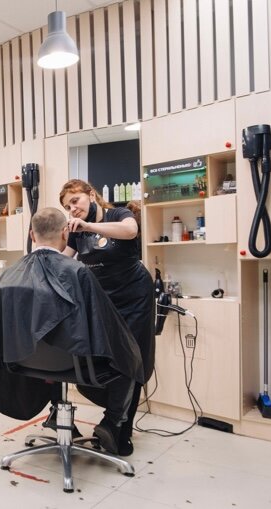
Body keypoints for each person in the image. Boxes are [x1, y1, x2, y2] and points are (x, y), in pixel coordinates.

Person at [0, 208, 144, 455]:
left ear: (32, 235)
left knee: (57, 345)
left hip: (23, 361)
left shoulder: (10, 275)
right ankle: (112, 423)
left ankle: (55, 412)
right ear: (65, 233)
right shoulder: (78, 272)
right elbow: (106, 331)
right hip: (73, 365)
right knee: (130, 354)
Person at [59, 179, 155, 456]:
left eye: (75, 201)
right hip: (103, 300)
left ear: (91, 195)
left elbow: (130, 230)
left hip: (135, 297)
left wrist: (89, 226)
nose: (72, 209)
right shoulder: (76, 231)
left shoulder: (117, 214)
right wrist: (42, 254)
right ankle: (113, 418)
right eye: (67, 206)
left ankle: (120, 429)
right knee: (103, 358)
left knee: (132, 360)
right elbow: (64, 258)